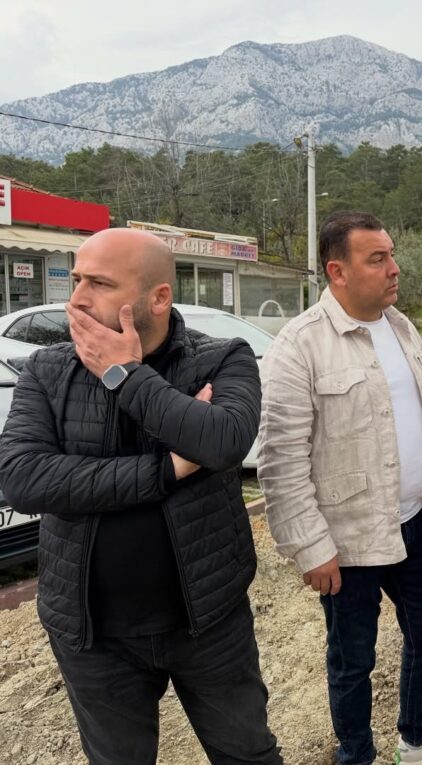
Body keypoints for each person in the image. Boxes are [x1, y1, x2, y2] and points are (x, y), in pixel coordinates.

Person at [0, 228, 280, 765]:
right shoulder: (48, 369)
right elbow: (23, 479)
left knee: (248, 754)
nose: (78, 299)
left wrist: (125, 375)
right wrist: (169, 468)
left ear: (158, 297)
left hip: (208, 621)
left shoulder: (222, 358)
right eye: (77, 280)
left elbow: (224, 442)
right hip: (93, 634)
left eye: (100, 284)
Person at [257, 211, 422, 765]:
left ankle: (419, 735)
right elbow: (280, 459)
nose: (393, 268)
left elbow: (419, 418)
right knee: (352, 658)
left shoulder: (401, 327)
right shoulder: (300, 345)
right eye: (377, 259)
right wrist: (310, 546)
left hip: (415, 521)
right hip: (346, 538)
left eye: (392, 255)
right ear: (337, 271)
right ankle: (355, 754)